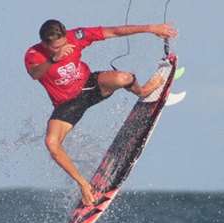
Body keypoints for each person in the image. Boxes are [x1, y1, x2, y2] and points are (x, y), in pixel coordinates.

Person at [25, 19, 178, 205]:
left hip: (91, 86)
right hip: (67, 104)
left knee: (124, 77)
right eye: (56, 48)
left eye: (64, 44)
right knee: (52, 143)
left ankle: (142, 91)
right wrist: (52, 59)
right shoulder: (34, 54)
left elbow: (114, 31)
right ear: (45, 44)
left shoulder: (76, 36)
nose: (63, 49)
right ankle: (83, 185)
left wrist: (150, 29)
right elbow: (35, 74)